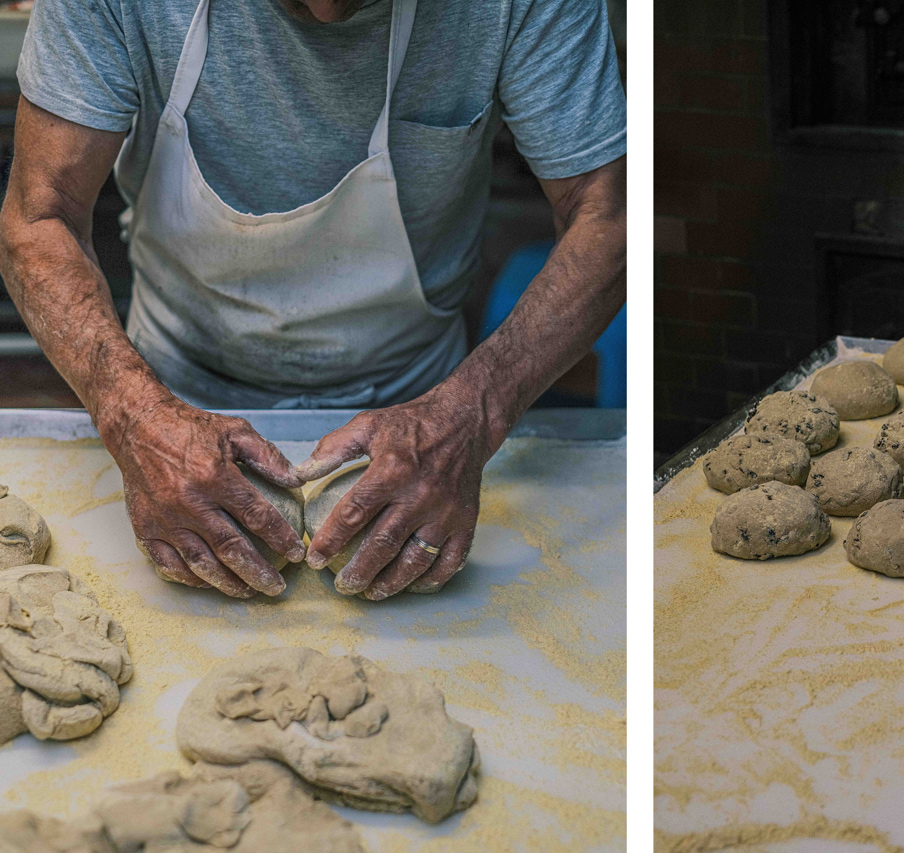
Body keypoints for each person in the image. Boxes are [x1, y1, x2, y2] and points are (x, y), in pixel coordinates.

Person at [0, 0, 626, 600]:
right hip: (173, 391)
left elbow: (609, 218)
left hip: (422, 406)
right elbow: (38, 215)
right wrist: (135, 418)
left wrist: (472, 416)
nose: (328, 12)